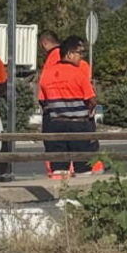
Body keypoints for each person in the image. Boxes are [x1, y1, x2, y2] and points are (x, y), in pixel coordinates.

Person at [38, 35, 98, 176]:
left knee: (59, 168)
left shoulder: (47, 74)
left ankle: (61, 195)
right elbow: (91, 99)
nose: (81, 57)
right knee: (83, 168)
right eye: (79, 53)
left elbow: (42, 99)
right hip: (78, 125)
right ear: (70, 54)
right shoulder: (78, 73)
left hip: (55, 124)